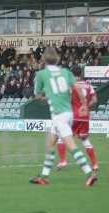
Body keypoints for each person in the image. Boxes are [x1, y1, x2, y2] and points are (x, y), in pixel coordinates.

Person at [29, 47, 97, 187]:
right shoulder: (66, 72)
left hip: (59, 116)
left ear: (43, 60)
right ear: (57, 59)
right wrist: (84, 104)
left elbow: (37, 95)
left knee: (71, 146)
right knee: (50, 144)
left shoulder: (41, 74)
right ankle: (44, 176)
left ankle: (90, 173)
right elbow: (77, 88)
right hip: (68, 113)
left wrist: (45, 97)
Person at [56, 65, 98, 171]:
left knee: (61, 137)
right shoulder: (89, 86)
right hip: (85, 116)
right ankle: (94, 164)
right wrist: (86, 106)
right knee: (85, 140)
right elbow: (95, 99)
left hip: (73, 116)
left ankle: (62, 160)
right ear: (81, 74)